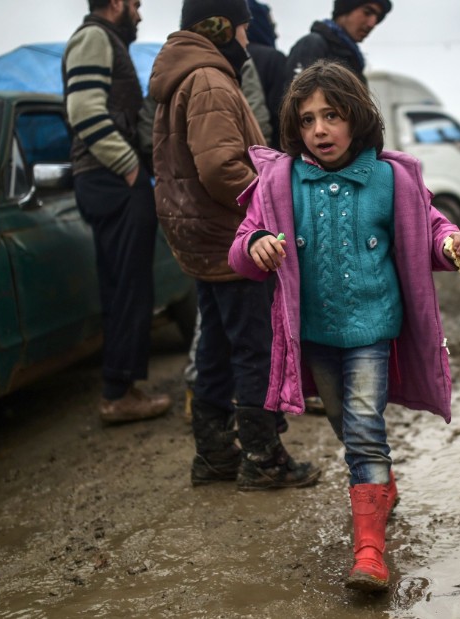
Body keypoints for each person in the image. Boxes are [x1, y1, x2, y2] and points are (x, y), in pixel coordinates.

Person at [227, 60, 460, 591]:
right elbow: (241, 246)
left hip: (373, 327)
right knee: (346, 423)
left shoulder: (390, 177)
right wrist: (257, 246)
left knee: (364, 430)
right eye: (307, 120)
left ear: (358, 118)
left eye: (332, 116)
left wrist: (450, 242)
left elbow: (431, 224)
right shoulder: (280, 181)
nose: (319, 130)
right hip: (315, 333)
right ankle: (379, 486)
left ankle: (369, 552)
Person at [150, 0, 321, 490]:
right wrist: (271, 206)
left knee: (217, 347)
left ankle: (214, 454)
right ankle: (263, 459)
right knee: (254, 348)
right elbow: (221, 167)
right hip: (230, 234)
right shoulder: (207, 79)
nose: (248, 40)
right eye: (244, 28)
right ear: (221, 26)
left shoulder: (182, 73)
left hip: (201, 233)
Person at [62, 0, 172, 424]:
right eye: (136, 4)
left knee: (123, 284)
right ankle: (118, 392)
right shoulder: (93, 37)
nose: (139, 13)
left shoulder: (105, 41)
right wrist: (129, 169)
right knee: (129, 287)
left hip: (108, 179)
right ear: (115, 3)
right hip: (111, 179)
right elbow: (84, 111)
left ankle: (120, 385)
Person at [285, 0, 392, 83]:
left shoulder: (355, 60)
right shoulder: (313, 44)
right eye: (367, 12)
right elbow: (296, 101)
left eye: (377, 18)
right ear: (344, 10)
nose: (372, 24)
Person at [247, 0, 290, 149]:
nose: (276, 35)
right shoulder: (273, 58)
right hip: (267, 150)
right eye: (271, 26)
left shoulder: (220, 56)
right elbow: (282, 113)